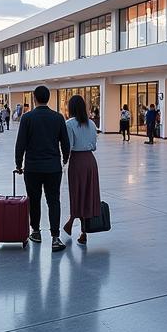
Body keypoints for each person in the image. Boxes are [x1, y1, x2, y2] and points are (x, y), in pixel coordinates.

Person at [14, 85, 70, 251]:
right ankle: (55, 237)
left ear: (34, 98)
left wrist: (19, 164)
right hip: (53, 167)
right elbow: (65, 143)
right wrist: (64, 159)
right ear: (49, 98)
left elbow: (20, 144)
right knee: (54, 201)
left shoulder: (27, 118)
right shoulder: (58, 118)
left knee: (34, 199)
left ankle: (36, 231)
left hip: (32, 167)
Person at [63, 95, 100, 246]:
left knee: (76, 192)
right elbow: (94, 145)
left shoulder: (69, 124)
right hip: (90, 161)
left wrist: (64, 160)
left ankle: (72, 219)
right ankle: (84, 231)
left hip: (77, 161)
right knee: (87, 193)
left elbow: (69, 146)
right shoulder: (91, 123)